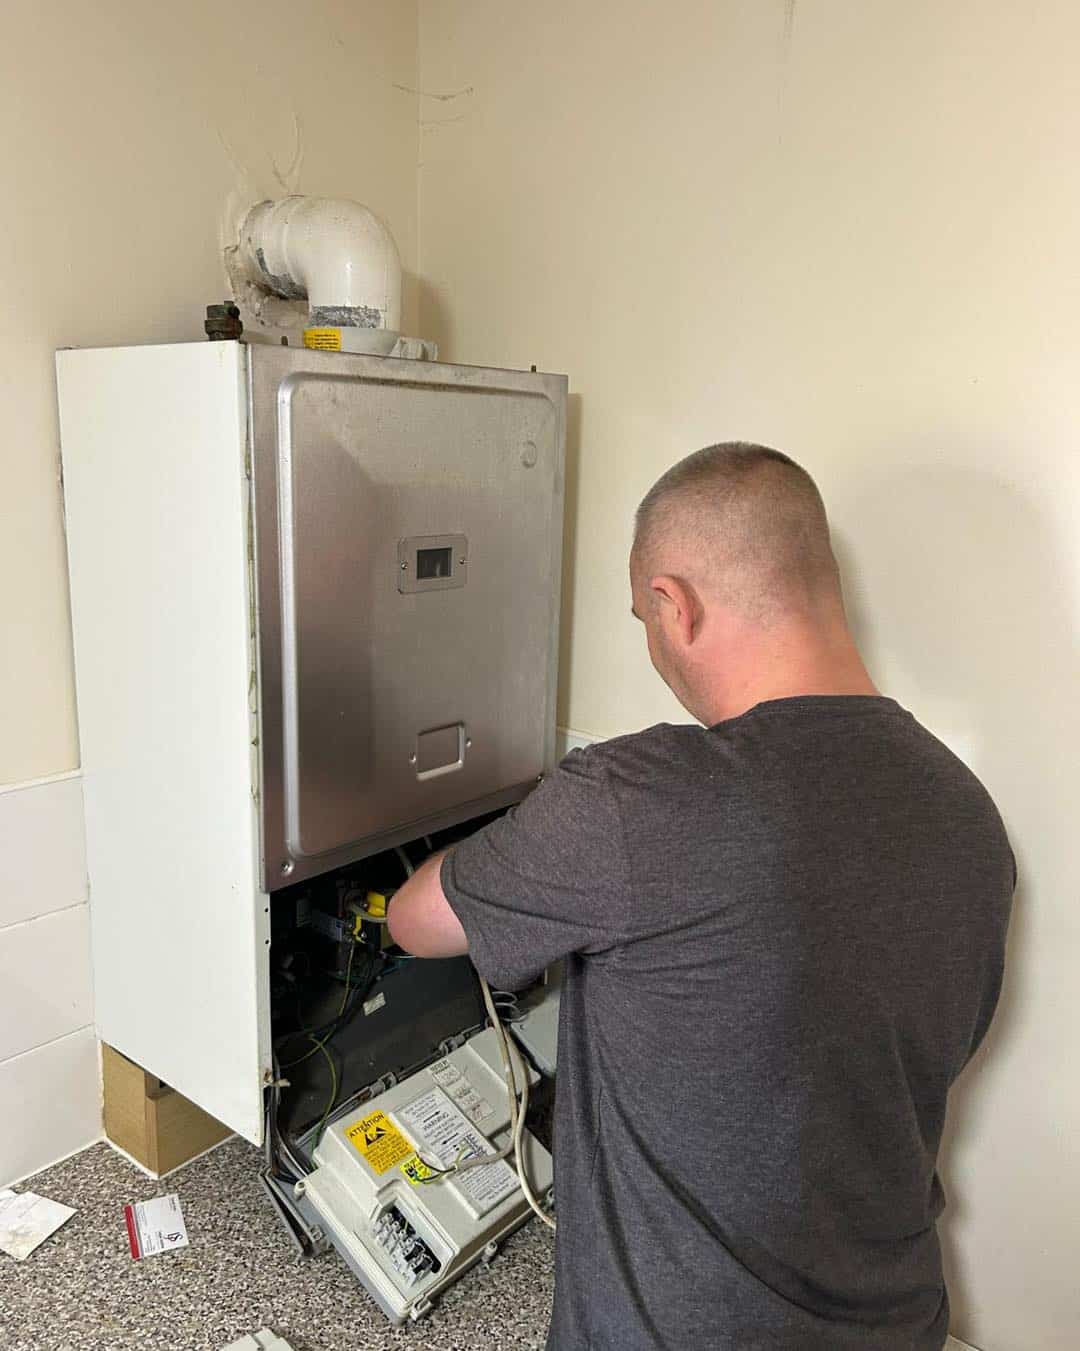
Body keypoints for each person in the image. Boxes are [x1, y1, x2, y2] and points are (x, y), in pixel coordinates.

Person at [387, 442, 1015, 1351]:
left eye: (644, 618)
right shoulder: (968, 814)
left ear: (674, 606)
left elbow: (413, 920)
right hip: (899, 1323)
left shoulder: (633, 799)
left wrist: (515, 855)